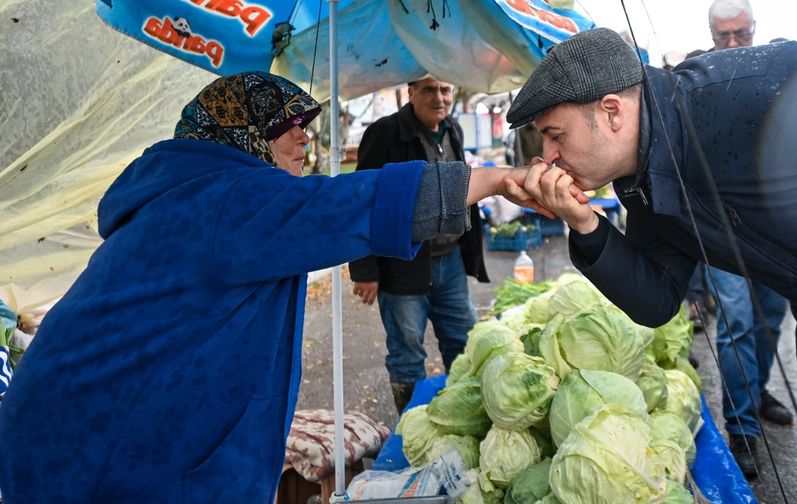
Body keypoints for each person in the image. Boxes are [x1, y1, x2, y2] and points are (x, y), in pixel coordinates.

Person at [0, 71, 537, 503]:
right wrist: (497, 179)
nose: (304, 136)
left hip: (75, 422)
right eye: (286, 124)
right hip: (92, 442)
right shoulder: (227, 197)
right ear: (243, 134)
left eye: (304, 122)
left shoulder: (194, 190)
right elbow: (351, 203)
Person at [506, 27, 797, 502]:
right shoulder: (643, 182)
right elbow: (657, 299)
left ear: (611, 111)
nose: (547, 157)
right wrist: (585, 224)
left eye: (555, 136)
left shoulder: (756, 87)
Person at [688, 0, 794, 479]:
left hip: (775, 228)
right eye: (724, 36)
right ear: (712, 35)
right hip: (724, 228)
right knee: (735, 323)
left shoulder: (774, 75)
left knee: (772, 318)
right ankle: (742, 427)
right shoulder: (698, 81)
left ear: (754, 30)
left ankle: (758, 388)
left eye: (741, 34)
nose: (733, 44)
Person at [348, 76, 489, 414]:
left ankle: (464, 415)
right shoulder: (385, 133)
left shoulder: (452, 128)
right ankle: (412, 428)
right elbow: (362, 199)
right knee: (407, 351)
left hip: (450, 259)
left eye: (445, 89)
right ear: (410, 93)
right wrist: (365, 270)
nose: (438, 97)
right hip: (403, 263)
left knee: (464, 341)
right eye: (428, 89)